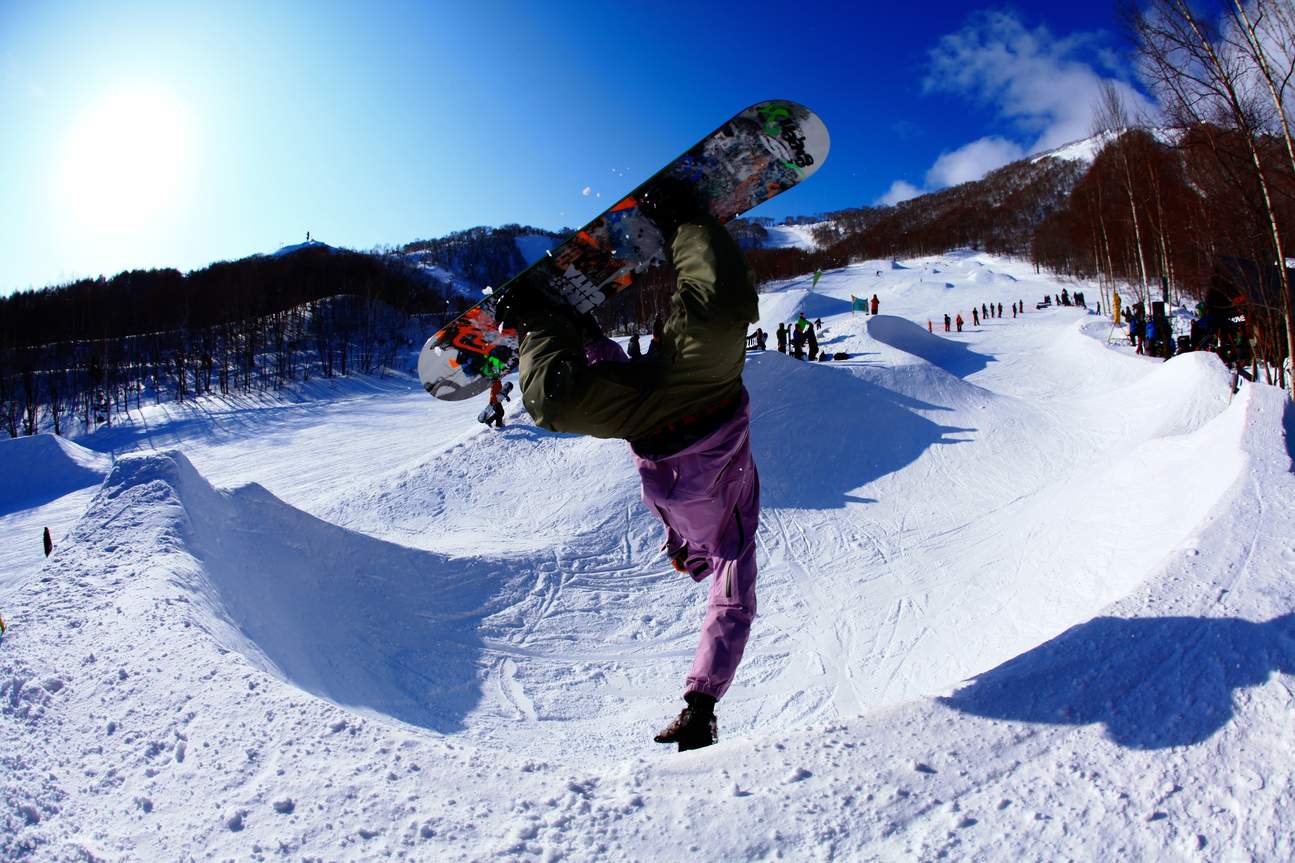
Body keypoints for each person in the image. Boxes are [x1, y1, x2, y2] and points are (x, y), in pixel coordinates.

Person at [496, 197, 760, 753]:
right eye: (690, 562)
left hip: (648, 420)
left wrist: (580, 334)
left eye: (681, 560)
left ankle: (539, 324)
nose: (683, 559)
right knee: (718, 312)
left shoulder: (670, 522)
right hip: (707, 397)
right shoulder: (733, 541)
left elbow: (618, 379)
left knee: (552, 404)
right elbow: (731, 610)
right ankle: (685, 221)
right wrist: (703, 701)